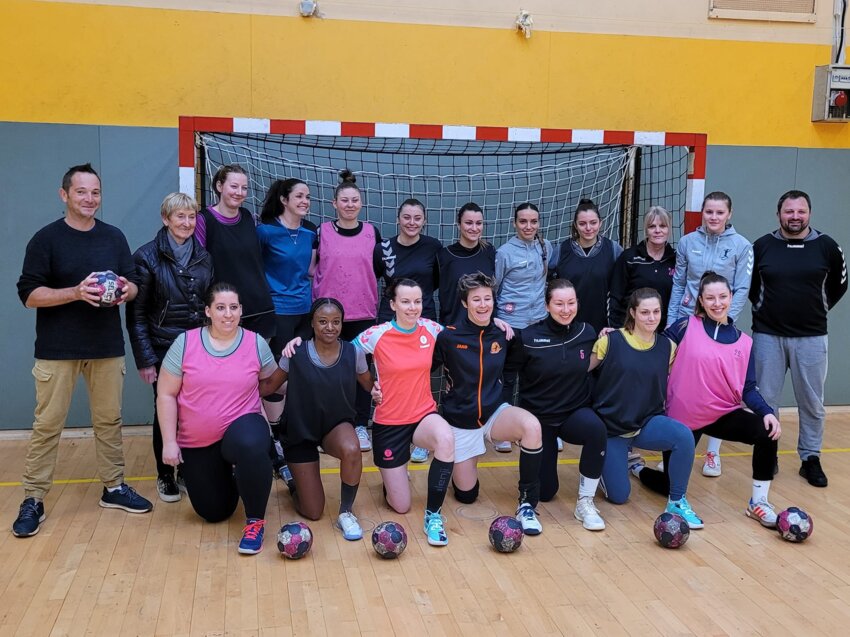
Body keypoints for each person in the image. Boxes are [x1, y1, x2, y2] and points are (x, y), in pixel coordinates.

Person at [13, 163, 153, 538]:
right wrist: (75, 292)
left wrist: (126, 289)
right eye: (81, 192)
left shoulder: (113, 237)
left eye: (95, 192)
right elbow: (29, 295)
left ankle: (114, 487)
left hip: (106, 347)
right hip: (57, 350)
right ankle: (33, 498)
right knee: (47, 426)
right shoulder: (45, 240)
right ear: (64, 195)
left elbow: (135, 284)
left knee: (109, 422)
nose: (89, 199)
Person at [632, 273, 782, 527]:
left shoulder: (745, 342)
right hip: (682, 420)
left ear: (731, 298)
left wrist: (767, 412)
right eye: (710, 298)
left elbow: (748, 388)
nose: (717, 303)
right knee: (672, 486)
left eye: (722, 296)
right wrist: (619, 336)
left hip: (720, 414)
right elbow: (650, 349)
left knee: (767, 432)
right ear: (701, 300)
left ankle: (758, 502)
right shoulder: (684, 326)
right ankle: (636, 468)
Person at [156, 283, 278, 555]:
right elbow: (165, 394)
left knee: (250, 443)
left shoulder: (255, 342)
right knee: (213, 512)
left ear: (241, 310)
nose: (228, 314)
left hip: (243, 428)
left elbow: (274, 385)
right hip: (198, 441)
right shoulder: (185, 343)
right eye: (220, 308)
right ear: (208, 311)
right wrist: (169, 443)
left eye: (233, 307)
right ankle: (240, 475)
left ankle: (255, 521)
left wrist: (296, 358)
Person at [433, 272, 545, 535]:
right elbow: (423, 369)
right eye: (476, 300)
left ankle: (527, 503)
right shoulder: (448, 337)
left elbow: (522, 363)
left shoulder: (503, 334)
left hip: (495, 413)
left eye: (487, 298)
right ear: (464, 303)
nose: (483, 304)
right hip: (461, 420)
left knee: (531, 426)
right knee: (467, 495)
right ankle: (461, 469)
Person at [750, 189, 847, 487]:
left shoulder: (828, 246)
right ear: (778, 213)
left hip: (812, 338)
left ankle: (810, 458)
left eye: (800, 211)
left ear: (809, 213)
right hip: (768, 336)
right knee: (766, 401)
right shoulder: (762, 246)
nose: (795, 217)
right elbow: (751, 287)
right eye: (789, 211)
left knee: (812, 402)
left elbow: (839, 285)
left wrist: (816, 308)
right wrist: (766, 309)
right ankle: (770, 454)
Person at [590, 288, 704, 529]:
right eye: (644, 312)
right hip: (612, 428)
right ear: (632, 312)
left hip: (646, 423)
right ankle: (606, 468)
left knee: (683, 436)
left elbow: (680, 382)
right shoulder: (609, 341)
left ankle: (677, 501)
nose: (651, 318)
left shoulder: (668, 347)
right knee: (620, 497)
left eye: (656, 312)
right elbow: (581, 375)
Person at [126, 192, 214, 503]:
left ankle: (186, 469)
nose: (187, 223)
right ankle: (165, 474)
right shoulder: (146, 257)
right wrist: (145, 359)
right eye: (180, 217)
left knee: (193, 410)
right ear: (166, 219)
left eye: (191, 217)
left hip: (196, 347)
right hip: (163, 347)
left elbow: (209, 306)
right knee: (166, 410)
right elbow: (136, 315)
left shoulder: (205, 257)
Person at [261, 298, 373, 541]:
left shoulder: (354, 353)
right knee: (313, 512)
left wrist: (381, 388)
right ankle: (292, 481)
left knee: (353, 448)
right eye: (323, 321)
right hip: (300, 431)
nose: (329, 327)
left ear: (342, 324)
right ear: (312, 323)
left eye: (336, 322)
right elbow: (269, 385)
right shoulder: (295, 352)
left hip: (335, 426)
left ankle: (346, 512)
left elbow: (370, 386)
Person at [355, 279, 456, 546]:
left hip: (423, 416)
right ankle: (393, 476)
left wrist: (499, 325)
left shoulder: (432, 330)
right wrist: (369, 385)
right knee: (400, 506)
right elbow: (341, 354)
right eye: (406, 301)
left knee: (445, 438)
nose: (413, 307)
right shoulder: (376, 334)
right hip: (389, 423)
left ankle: (433, 514)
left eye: (418, 301)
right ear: (393, 304)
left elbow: (464, 336)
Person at [504, 279, 608, 531]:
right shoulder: (528, 337)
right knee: (547, 492)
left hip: (574, 413)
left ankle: (586, 501)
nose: (565, 309)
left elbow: (592, 361)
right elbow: (506, 375)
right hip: (540, 423)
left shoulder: (587, 332)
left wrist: (609, 337)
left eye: (571, 303)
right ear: (547, 305)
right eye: (559, 303)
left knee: (596, 428)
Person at [665, 191, 753, 478]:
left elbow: (741, 288)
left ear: (729, 214)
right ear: (702, 213)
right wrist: (671, 321)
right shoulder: (688, 242)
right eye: (709, 212)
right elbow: (679, 284)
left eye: (719, 212)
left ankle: (712, 452)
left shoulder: (742, 246)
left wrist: (724, 321)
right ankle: (677, 445)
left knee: (721, 389)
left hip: (720, 326)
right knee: (682, 386)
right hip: (688, 322)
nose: (713, 217)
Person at [312, 169, 381, 452]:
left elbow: (379, 270)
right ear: (335, 203)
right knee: (326, 370)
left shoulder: (371, 232)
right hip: (328, 314)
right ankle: (325, 426)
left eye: (355, 200)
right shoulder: (321, 231)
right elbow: (311, 268)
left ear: (361, 204)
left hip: (362, 311)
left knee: (362, 372)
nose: (350, 204)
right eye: (345, 200)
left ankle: (361, 425)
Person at [374, 199, 442, 464]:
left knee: (422, 374)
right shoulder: (384, 248)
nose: (411, 222)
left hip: (423, 318)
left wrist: (416, 306)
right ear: (398, 218)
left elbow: (435, 282)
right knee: (392, 377)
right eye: (407, 217)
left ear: (424, 220)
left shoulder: (433, 247)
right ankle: (392, 432)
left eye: (417, 218)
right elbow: (378, 278)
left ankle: (422, 436)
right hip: (391, 320)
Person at [256, 178, 318, 441]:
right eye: (299, 196)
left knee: (302, 372)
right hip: (277, 311)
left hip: (304, 312)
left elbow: (312, 270)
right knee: (277, 375)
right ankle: (275, 433)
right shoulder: (265, 232)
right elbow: (254, 271)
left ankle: (294, 431)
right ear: (284, 200)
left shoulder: (310, 232)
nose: (305, 201)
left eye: (307, 196)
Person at [195, 164, 275, 339]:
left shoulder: (248, 217)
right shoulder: (204, 220)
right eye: (234, 186)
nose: (239, 192)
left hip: (258, 308)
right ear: (219, 186)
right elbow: (197, 267)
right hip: (225, 312)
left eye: (244, 188)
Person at [550, 198, 623, 334]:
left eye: (593, 223)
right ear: (575, 225)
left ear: (600, 223)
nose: (588, 228)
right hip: (568, 326)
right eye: (582, 224)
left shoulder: (613, 250)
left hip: (604, 327)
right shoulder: (561, 251)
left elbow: (622, 290)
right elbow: (549, 288)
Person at [609, 206, 676, 331]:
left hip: (664, 331)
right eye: (652, 226)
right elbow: (615, 296)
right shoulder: (629, 257)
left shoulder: (676, 260)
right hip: (630, 329)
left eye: (662, 226)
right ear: (646, 230)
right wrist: (616, 328)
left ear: (669, 229)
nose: (657, 230)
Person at [437, 203, 496, 326]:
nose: (474, 228)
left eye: (478, 223)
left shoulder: (489, 251)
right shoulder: (444, 255)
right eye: (469, 223)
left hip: (485, 329)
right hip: (454, 328)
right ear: (459, 225)